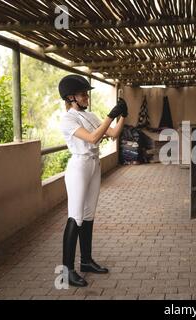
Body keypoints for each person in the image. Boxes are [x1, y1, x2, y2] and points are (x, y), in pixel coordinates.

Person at [58, 74, 128, 287]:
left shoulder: (91, 115)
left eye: (86, 93)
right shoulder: (68, 119)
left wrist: (123, 115)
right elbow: (92, 138)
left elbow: (113, 133)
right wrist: (110, 114)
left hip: (94, 165)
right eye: (82, 94)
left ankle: (86, 261)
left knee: (88, 216)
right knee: (76, 217)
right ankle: (66, 271)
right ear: (71, 98)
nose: (86, 97)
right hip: (79, 166)